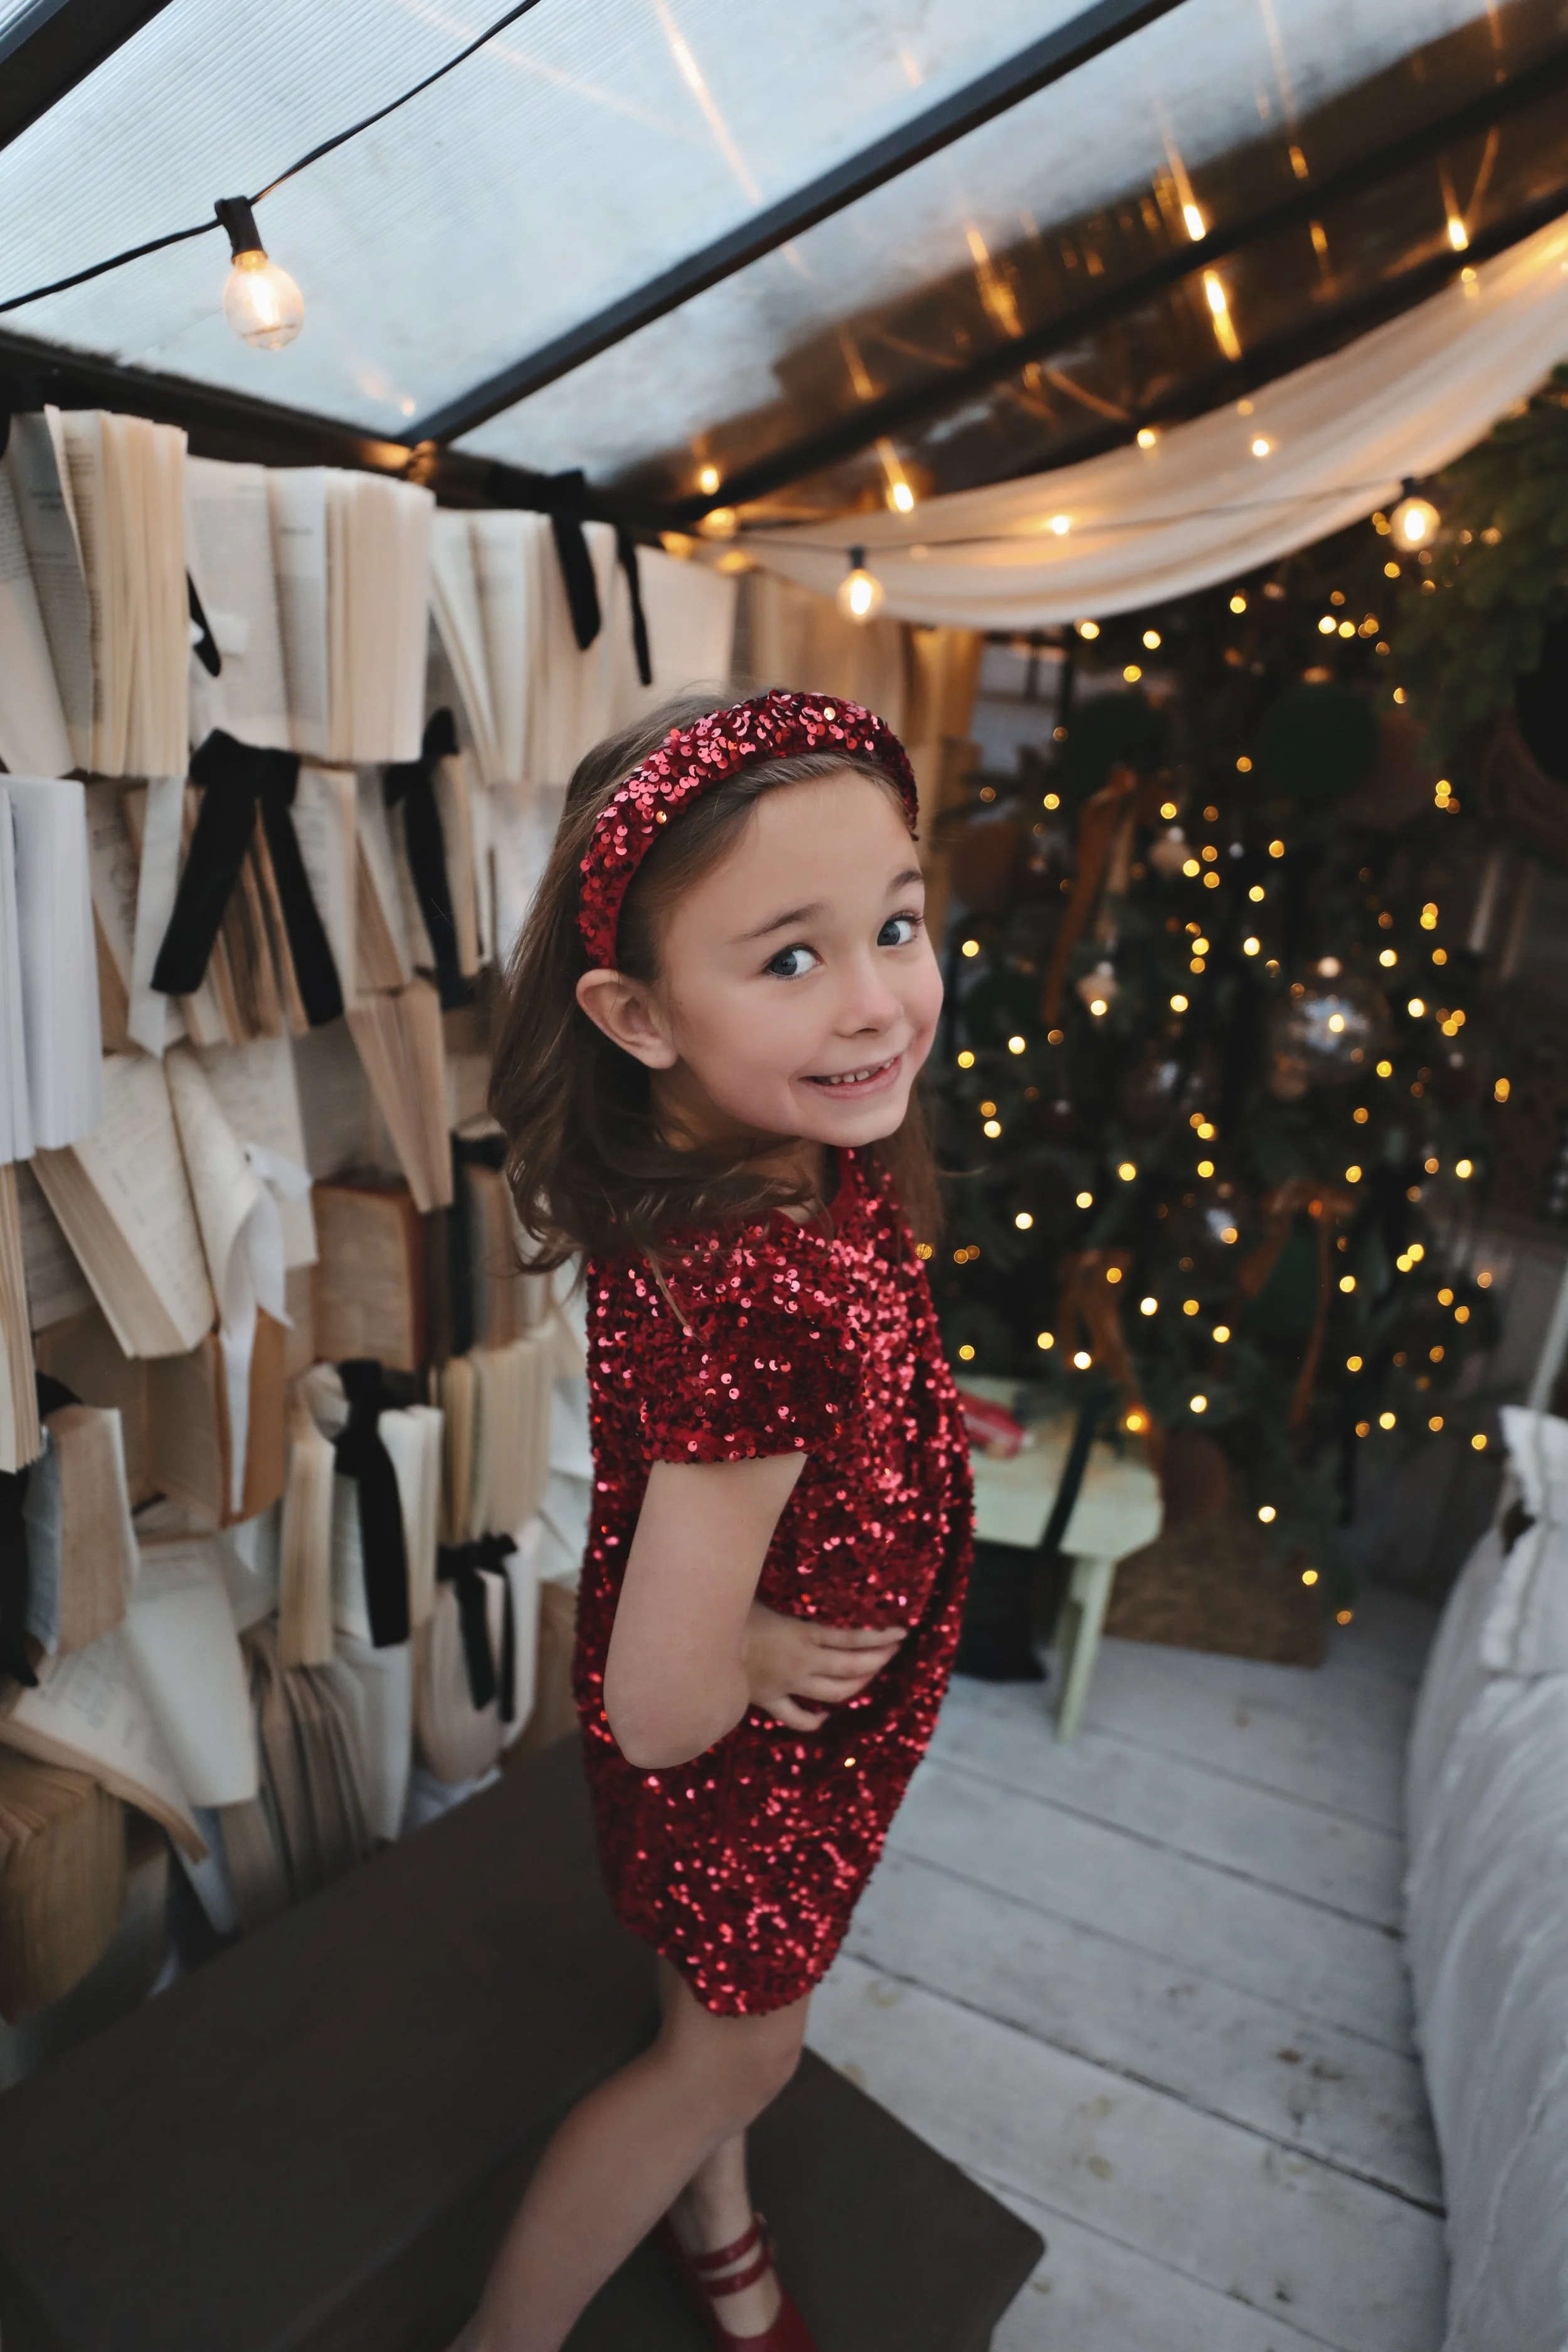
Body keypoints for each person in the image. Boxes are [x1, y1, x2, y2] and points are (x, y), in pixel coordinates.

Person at [453, 688, 972, 2351]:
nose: (881, 999)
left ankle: (720, 2216)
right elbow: (662, 1701)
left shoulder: (762, 1156)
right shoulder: (762, 1288)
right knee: (734, 2046)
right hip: (756, 1774)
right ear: (637, 1010)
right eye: (789, 957)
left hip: (791, 1759)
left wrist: (914, 1432)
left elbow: (816, 1399)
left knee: (721, 2003)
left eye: (895, 922)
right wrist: (745, 1638)